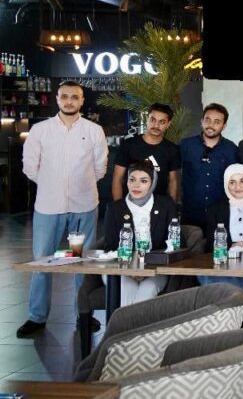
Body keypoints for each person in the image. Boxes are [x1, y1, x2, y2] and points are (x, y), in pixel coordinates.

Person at [19, 81, 107, 338]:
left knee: (81, 261)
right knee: (42, 260)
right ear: (57, 99)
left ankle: (83, 315)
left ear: (82, 101)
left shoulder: (93, 130)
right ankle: (36, 316)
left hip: (83, 206)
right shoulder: (41, 130)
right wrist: (51, 185)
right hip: (49, 206)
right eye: (65, 96)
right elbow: (30, 167)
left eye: (74, 97)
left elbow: (100, 167)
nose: (69, 101)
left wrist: (78, 187)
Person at [101, 161, 176, 306]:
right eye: (132, 180)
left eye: (143, 181)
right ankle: (134, 322)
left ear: (152, 183)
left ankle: (126, 322)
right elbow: (110, 246)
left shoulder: (165, 205)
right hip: (120, 269)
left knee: (147, 290)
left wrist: (147, 268)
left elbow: (176, 243)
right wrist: (130, 270)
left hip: (154, 270)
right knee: (125, 289)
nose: (136, 185)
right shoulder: (115, 208)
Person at [179, 103, 238, 227]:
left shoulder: (231, 149)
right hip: (190, 214)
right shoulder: (186, 145)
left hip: (220, 216)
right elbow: (173, 175)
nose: (211, 125)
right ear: (202, 121)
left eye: (217, 122)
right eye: (207, 120)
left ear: (224, 126)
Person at [112, 102, 179, 201]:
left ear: (168, 124)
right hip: (131, 203)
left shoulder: (172, 149)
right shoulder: (129, 145)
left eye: (162, 122)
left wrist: (171, 207)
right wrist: (118, 207)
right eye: (153, 120)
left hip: (160, 205)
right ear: (146, 119)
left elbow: (173, 181)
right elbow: (117, 179)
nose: (156, 125)